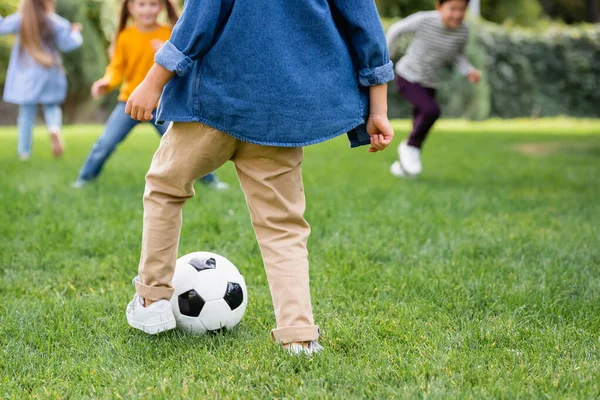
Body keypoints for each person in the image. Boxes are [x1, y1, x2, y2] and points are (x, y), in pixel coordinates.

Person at [124, 0, 395, 355]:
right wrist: (379, 107)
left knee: (165, 186)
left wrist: (153, 80)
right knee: (282, 225)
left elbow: (199, 18)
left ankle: (153, 301)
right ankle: (298, 335)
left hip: (217, 104)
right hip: (279, 113)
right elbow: (365, 25)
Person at [72, 0, 227, 189]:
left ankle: (210, 181)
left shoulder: (170, 35)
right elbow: (117, 68)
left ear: (161, 7)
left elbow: (186, 67)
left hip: (163, 105)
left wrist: (166, 53)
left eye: (153, 4)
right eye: (142, 4)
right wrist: (107, 82)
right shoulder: (125, 37)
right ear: (131, 8)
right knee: (105, 142)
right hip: (129, 103)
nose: (147, 9)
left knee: (183, 147)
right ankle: (84, 179)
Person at [387, 0, 482, 178]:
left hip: (430, 83)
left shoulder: (463, 31)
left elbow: (457, 57)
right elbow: (396, 30)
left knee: (419, 124)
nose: (457, 14)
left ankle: (402, 168)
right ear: (439, 8)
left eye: (462, 10)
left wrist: (468, 71)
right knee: (431, 111)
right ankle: (410, 147)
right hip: (407, 76)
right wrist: (386, 56)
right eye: (452, 9)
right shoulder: (424, 20)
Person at [0, 0, 82, 161]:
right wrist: (75, 32)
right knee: (52, 106)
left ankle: (24, 152)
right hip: (49, 70)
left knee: (26, 113)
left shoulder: (20, 19)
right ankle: (53, 128)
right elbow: (69, 44)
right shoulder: (55, 21)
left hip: (27, 74)